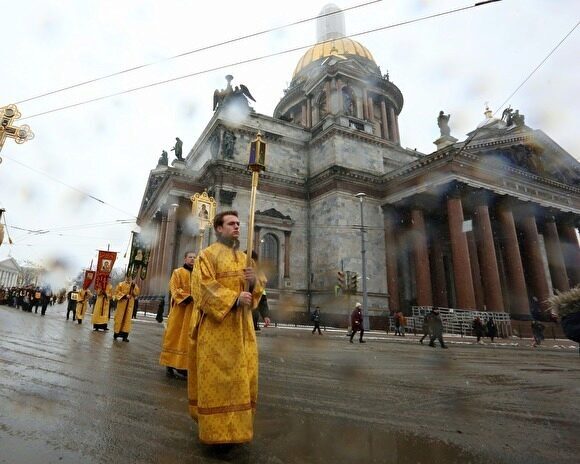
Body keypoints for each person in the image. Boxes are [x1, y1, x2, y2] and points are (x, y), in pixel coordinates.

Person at [187, 210, 264, 445]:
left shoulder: (244, 259)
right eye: (231, 223)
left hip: (242, 329)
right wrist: (233, 298)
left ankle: (237, 432)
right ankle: (215, 434)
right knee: (219, 382)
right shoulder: (206, 256)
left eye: (239, 224)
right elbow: (202, 288)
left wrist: (253, 283)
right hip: (216, 330)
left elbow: (258, 292)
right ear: (219, 228)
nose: (237, 227)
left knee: (244, 378)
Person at [160, 251, 196, 380]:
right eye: (190, 257)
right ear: (185, 258)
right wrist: (187, 296)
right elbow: (174, 289)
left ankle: (184, 365)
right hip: (180, 310)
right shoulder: (178, 272)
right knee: (175, 335)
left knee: (188, 337)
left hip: (192, 310)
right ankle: (170, 363)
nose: (192, 259)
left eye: (194, 257)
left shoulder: (198, 274)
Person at [113, 276, 140, 342]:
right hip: (122, 304)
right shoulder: (120, 284)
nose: (128, 278)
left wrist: (133, 288)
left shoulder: (134, 285)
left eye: (130, 277)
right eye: (127, 276)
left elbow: (137, 293)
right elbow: (116, 293)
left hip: (129, 305)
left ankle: (125, 336)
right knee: (119, 318)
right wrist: (124, 296)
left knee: (127, 320)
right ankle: (116, 333)